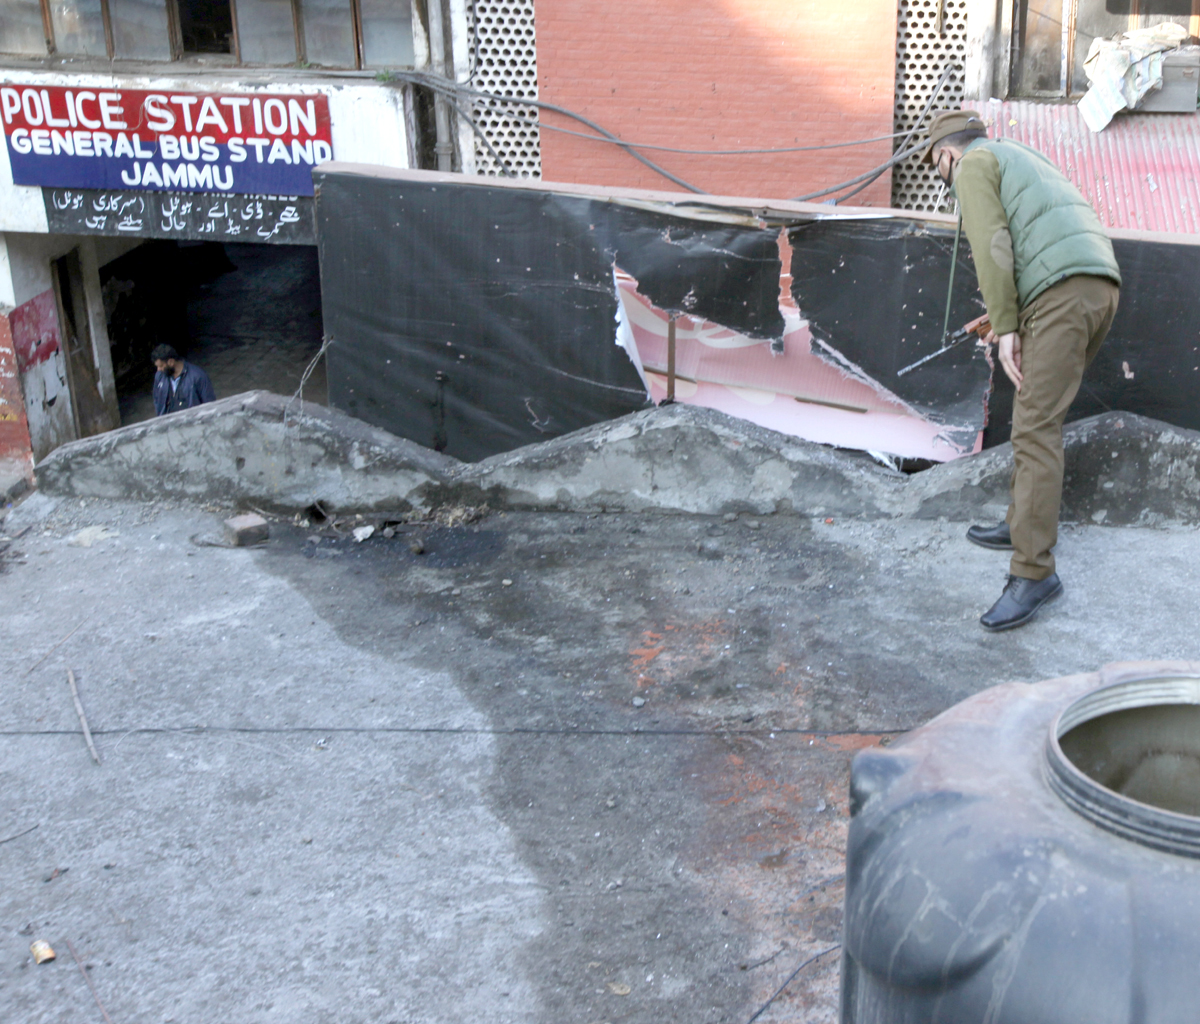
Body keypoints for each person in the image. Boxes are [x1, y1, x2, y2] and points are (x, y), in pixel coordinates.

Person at [922, 110, 1121, 632]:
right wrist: (1006, 316)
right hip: (1096, 287)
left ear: (945, 154)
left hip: (1061, 296)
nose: (941, 175)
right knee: (1034, 413)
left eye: (935, 165)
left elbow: (993, 244)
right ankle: (1020, 524)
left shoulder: (971, 165)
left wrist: (1008, 324)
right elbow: (1038, 238)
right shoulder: (1016, 153)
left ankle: (1034, 574)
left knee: (1035, 429)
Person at [151, 344, 216, 416]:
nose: (158, 369)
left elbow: (209, 404)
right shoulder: (160, 376)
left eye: (161, 366)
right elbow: (157, 401)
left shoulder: (198, 376)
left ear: (171, 362)